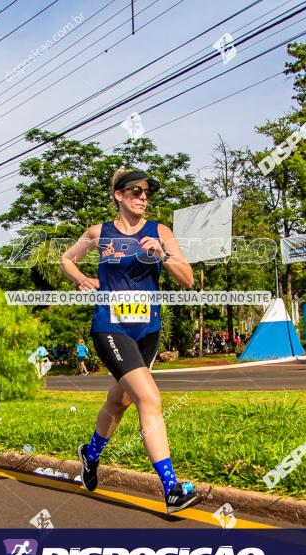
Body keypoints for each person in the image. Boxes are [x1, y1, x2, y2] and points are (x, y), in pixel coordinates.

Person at [60, 167, 201, 514]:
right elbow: (66, 259)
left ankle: (89, 455)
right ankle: (171, 488)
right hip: (110, 326)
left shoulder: (160, 231)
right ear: (118, 195)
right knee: (149, 398)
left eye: (146, 192)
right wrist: (82, 279)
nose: (142, 197)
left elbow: (188, 280)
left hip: (147, 330)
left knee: (121, 400)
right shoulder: (99, 233)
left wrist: (163, 256)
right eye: (135, 191)